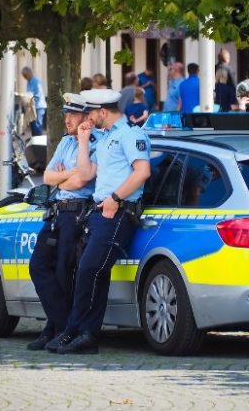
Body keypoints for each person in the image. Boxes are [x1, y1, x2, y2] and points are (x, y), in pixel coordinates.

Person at [45, 88, 151, 355]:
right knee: (92, 272)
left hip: (117, 212)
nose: (87, 118)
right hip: (99, 211)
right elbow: (86, 172)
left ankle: (76, 331)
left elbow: (142, 172)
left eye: (91, 112)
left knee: (89, 270)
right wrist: (82, 141)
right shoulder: (104, 138)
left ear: (103, 111)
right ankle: (85, 334)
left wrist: (116, 197)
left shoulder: (130, 135)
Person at [26, 92, 100, 351]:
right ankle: (60, 325)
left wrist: (63, 177)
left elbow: (82, 180)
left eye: (72, 114)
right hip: (56, 212)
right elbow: (46, 177)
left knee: (62, 274)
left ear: (86, 117)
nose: (67, 119)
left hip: (76, 214)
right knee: (37, 266)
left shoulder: (94, 142)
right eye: (66, 114)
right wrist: (65, 176)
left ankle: (55, 330)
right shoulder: (65, 143)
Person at [21, 66, 47, 135]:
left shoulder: (36, 81)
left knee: (37, 125)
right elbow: (28, 93)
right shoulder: (28, 82)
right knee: (32, 125)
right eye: (24, 76)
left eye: (25, 76)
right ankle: (34, 141)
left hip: (38, 106)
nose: (25, 77)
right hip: (32, 107)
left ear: (29, 74)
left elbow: (38, 94)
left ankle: (38, 143)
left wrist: (31, 100)